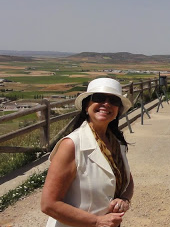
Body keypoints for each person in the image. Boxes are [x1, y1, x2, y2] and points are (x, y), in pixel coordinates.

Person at [41, 77, 134, 227]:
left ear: (118, 110)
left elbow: (128, 179)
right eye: (99, 98)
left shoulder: (116, 144)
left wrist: (124, 199)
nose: (106, 104)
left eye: (114, 100)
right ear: (86, 106)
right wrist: (96, 221)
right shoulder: (71, 145)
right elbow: (49, 204)